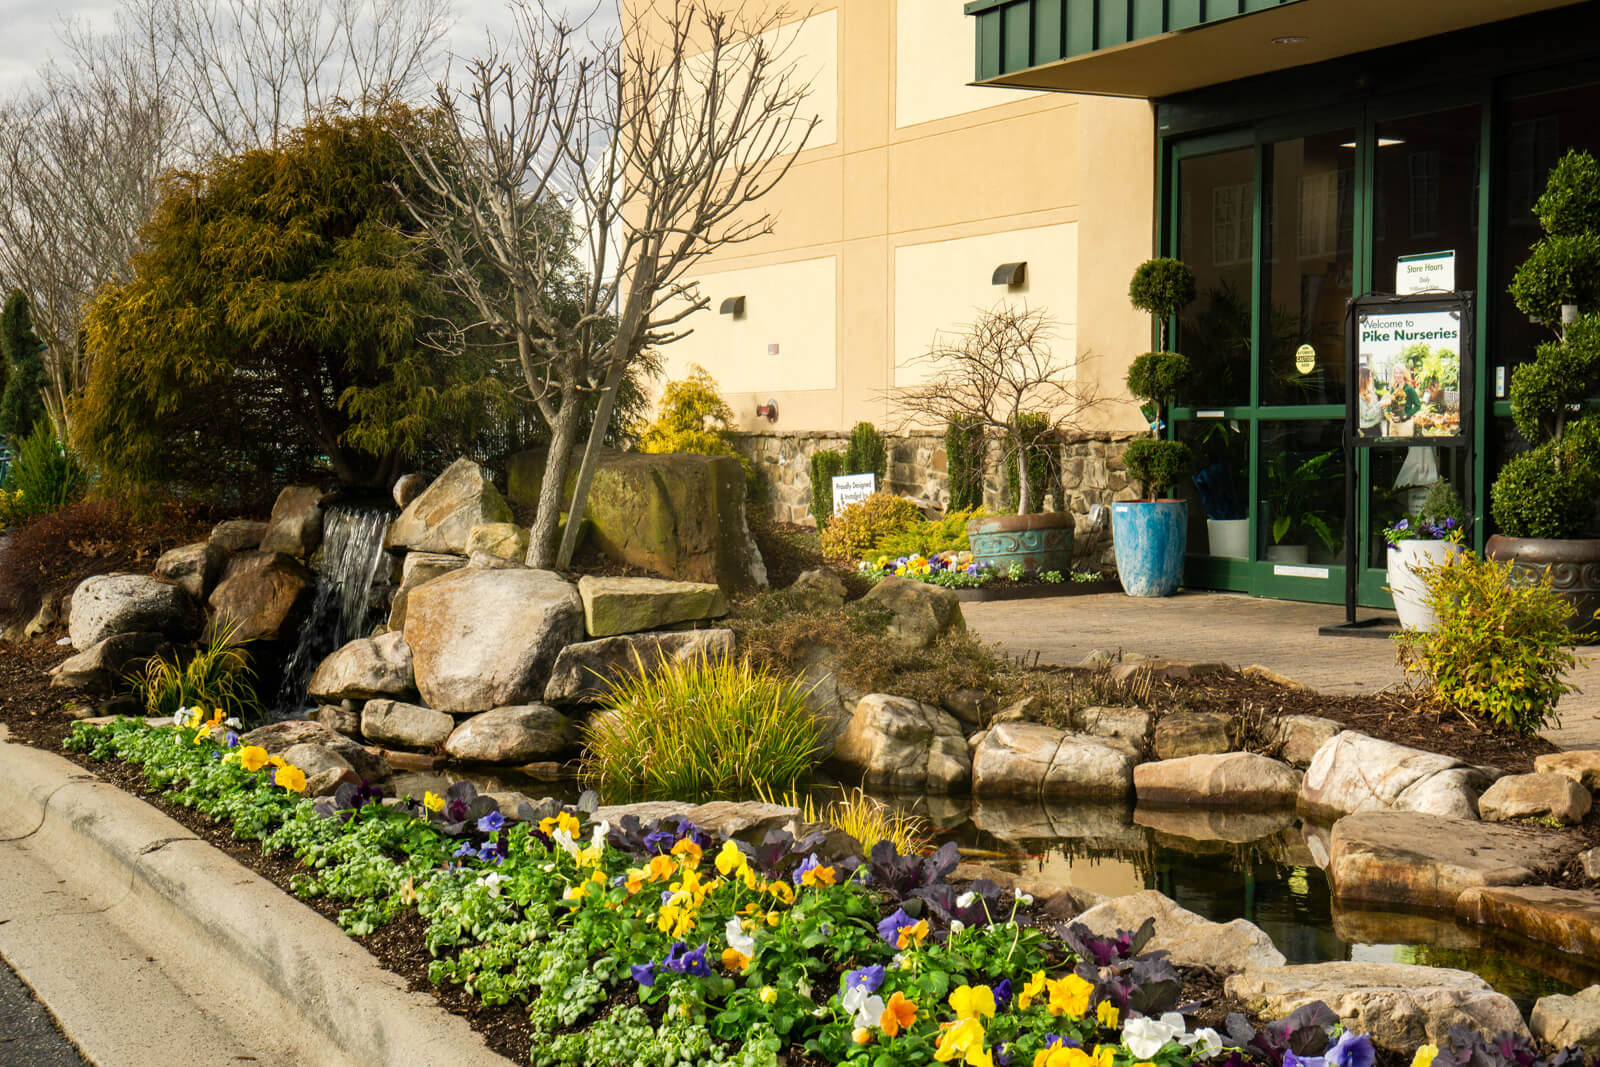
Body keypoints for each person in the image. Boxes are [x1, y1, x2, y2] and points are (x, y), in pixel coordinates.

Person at [1386, 366, 1420, 436]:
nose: (1398, 375)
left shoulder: (1409, 389)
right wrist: (1390, 413)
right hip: (1393, 424)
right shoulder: (1394, 388)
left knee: (1403, 446)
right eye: (1396, 373)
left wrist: (1406, 415)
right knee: (1392, 445)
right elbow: (1389, 402)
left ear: (1404, 374)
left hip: (1405, 424)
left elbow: (1418, 405)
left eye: (1400, 373)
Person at [1357, 365, 1384, 438]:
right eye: (1370, 376)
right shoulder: (1359, 397)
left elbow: (1375, 411)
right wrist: (1380, 404)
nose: (1371, 379)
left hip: (1376, 428)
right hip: (1368, 431)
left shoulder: (1370, 392)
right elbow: (1366, 415)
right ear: (1364, 379)